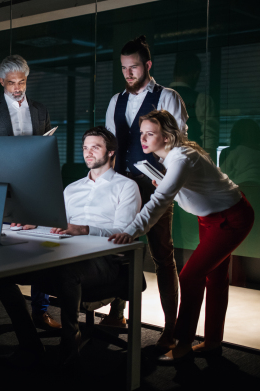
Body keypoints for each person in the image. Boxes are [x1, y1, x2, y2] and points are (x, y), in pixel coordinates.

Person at [109, 110, 254, 363]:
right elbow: (190, 190)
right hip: (209, 219)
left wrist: (130, 231)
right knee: (216, 278)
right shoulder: (170, 158)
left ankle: (183, 343)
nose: (143, 139)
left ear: (166, 137)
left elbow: (159, 202)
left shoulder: (180, 158)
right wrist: (166, 183)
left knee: (190, 275)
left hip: (231, 218)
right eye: (142, 133)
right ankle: (212, 342)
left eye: (150, 134)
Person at [0, 127, 141, 368]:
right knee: (0, 273)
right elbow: (59, 223)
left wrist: (84, 229)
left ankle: (69, 347)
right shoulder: (71, 189)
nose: (88, 152)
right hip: (65, 253)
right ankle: (30, 345)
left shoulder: (126, 187)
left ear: (111, 152)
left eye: (96, 147)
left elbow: (123, 233)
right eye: (85, 147)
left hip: (106, 261)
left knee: (66, 272)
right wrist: (36, 222)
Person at [105, 36, 188, 349]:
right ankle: (117, 312)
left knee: (162, 255)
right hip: (122, 186)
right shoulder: (116, 101)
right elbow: (112, 147)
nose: (128, 74)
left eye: (134, 67)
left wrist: (166, 181)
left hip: (155, 187)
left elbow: (178, 146)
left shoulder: (168, 97)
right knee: (119, 250)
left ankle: (171, 328)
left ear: (148, 66)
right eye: (124, 68)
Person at [0, 55, 58, 341]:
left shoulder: (39, 109)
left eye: (22, 82)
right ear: (1, 82)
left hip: (31, 185)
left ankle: (40, 310)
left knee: (41, 249)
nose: (18, 88)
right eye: (12, 83)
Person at [169, 51, 219, 156]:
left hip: (164, 162)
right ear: (196, 74)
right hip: (192, 161)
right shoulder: (202, 100)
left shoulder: (158, 97)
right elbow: (209, 139)